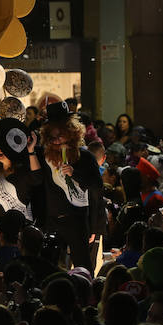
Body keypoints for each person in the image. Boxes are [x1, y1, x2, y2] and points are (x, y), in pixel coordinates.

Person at [35, 101, 102, 271]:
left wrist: (75, 173)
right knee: (52, 266)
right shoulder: (44, 157)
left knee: (83, 267)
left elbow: (96, 187)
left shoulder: (85, 156)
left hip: (77, 220)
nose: (56, 140)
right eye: (52, 136)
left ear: (72, 133)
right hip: (52, 221)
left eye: (61, 135)